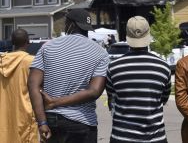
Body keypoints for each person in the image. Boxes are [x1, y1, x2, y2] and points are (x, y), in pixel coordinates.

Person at [28, 9, 110, 143]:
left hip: (51, 121)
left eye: (66, 23)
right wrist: (55, 102)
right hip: (82, 123)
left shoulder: (47, 47)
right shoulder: (101, 53)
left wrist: (42, 122)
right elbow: (95, 91)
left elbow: (33, 84)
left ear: (71, 24)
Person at [106, 16, 171, 143]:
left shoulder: (113, 67)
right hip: (155, 138)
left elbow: (111, 98)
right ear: (148, 35)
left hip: (122, 138)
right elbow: (163, 99)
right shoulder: (163, 67)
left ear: (127, 36)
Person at [0, 29, 39, 143]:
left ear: (12, 42)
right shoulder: (32, 62)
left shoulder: (2, 62)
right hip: (25, 117)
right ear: (28, 41)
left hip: (4, 119)